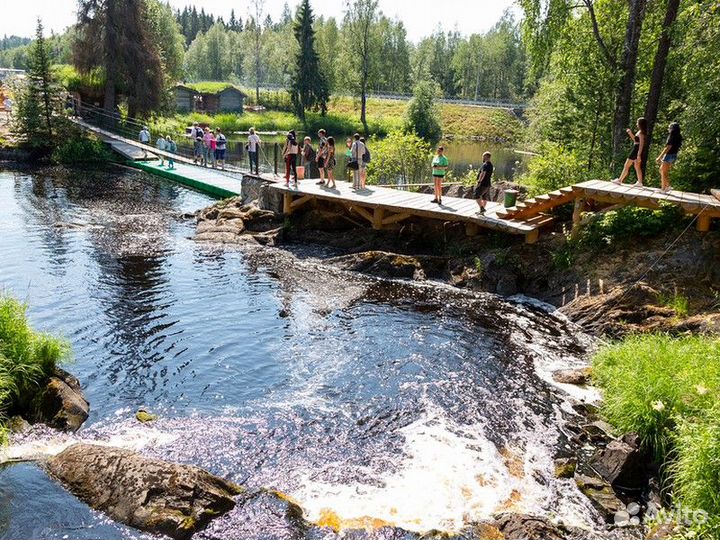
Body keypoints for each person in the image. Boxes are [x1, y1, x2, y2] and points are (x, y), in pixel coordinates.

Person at [613, 117, 647, 186]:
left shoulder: (641, 133)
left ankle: (620, 180)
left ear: (640, 124)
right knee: (637, 166)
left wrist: (639, 154)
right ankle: (640, 182)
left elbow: (641, 144)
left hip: (636, 150)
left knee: (626, 165)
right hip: (636, 148)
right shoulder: (639, 132)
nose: (636, 124)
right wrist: (630, 133)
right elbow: (635, 140)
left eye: (637, 122)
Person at [656, 122, 682, 192]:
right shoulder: (679, 136)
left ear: (672, 129)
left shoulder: (671, 136)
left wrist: (660, 157)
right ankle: (667, 186)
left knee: (663, 172)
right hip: (674, 155)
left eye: (669, 128)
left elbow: (668, 147)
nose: (668, 129)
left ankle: (663, 189)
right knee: (662, 170)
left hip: (669, 155)